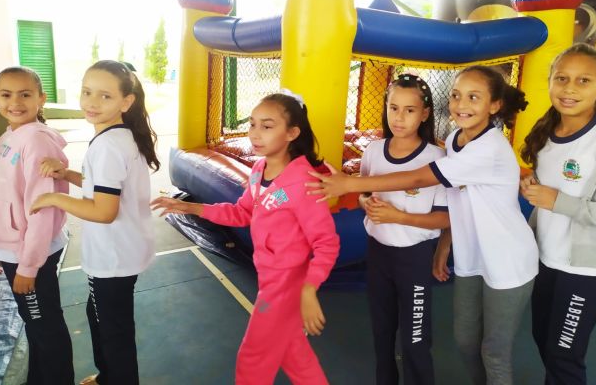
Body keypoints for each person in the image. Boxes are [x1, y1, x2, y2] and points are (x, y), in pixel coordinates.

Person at [308, 66, 538, 385]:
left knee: (493, 352)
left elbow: (420, 179)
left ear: (495, 104)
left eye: (474, 97)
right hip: (470, 256)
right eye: (456, 95)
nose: (461, 104)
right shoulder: (456, 139)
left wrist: (350, 184)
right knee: (465, 341)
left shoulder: (485, 149)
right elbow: (458, 199)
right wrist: (444, 246)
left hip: (506, 257)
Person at [151, 91, 340, 385]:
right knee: (294, 355)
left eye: (267, 126)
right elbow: (242, 213)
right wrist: (190, 207)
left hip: (286, 285)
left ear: (292, 133)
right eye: (252, 124)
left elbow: (327, 243)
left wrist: (308, 289)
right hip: (269, 276)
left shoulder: (304, 183)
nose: (255, 133)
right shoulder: (259, 170)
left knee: (253, 357)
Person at [519, 43, 596, 385]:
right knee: (544, 341)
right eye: (562, 78)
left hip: (588, 268)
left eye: (583, 80)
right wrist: (533, 187)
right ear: (550, 81)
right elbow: (552, 193)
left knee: (563, 356)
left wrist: (560, 202)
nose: (570, 88)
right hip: (546, 258)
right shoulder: (546, 133)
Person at [31, 60, 160, 385]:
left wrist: (54, 198)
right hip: (125, 251)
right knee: (102, 318)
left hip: (113, 256)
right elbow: (102, 185)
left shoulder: (107, 146)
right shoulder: (120, 137)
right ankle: (108, 377)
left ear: (126, 102)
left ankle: (117, 378)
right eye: (87, 92)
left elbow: (104, 211)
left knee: (112, 332)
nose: (92, 102)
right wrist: (67, 174)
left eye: (105, 96)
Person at [358, 74, 449, 385]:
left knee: (415, 338)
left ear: (424, 114)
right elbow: (362, 192)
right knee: (382, 331)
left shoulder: (437, 158)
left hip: (415, 257)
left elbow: (444, 219)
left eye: (409, 110)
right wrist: (366, 203)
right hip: (378, 254)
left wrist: (397, 216)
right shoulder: (373, 150)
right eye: (393, 108)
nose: (399, 117)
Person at [0, 66, 74, 384]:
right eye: (6, 94)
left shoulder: (36, 141)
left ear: (41, 99)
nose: (15, 102)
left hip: (30, 254)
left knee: (44, 324)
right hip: (13, 250)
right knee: (34, 322)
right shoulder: (10, 135)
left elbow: (43, 209)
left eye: (25, 94)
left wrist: (28, 266)